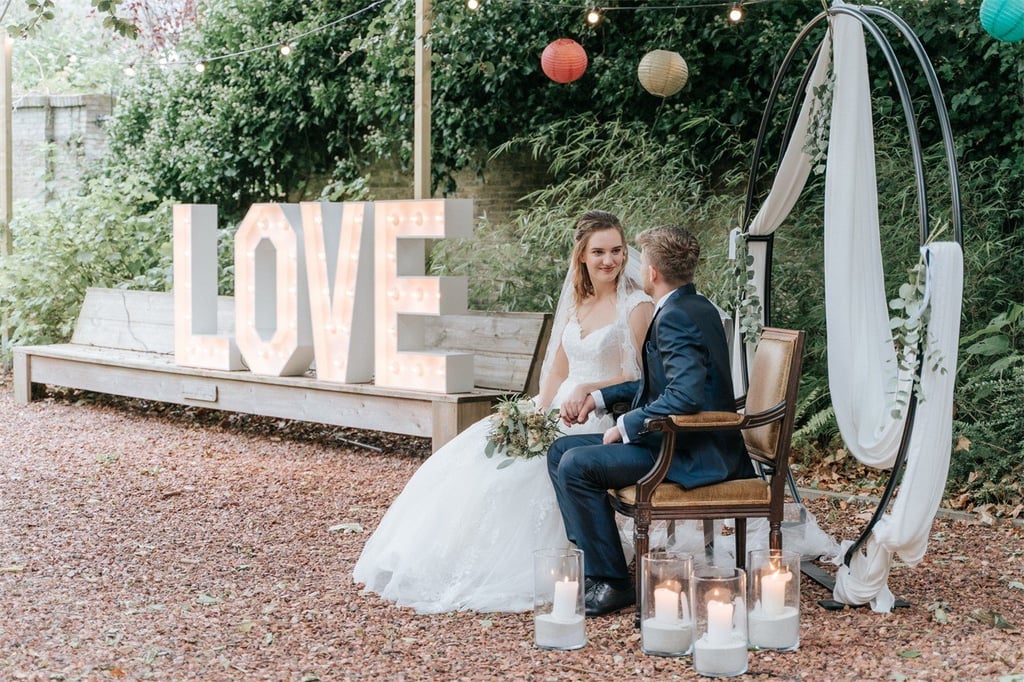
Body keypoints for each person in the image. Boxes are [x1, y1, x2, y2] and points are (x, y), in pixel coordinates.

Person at [352, 210, 654, 613]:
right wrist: (536, 412)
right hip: (557, 408)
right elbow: (558, 369)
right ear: (581, 255)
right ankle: (444, 561)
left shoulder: (635, 306)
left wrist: (589, 390)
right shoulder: (577, 301)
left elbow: (639, 377)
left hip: (597, 414)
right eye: (598, 252)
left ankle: (574, 564)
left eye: (616, 251)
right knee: (476, 461)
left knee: (517, 479)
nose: (609, 260)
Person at [547, 223, 756, 617]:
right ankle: (597, 563)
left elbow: (684, 396)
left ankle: (612, 582)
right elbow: (661, 385)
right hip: (681, 441)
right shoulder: (692, 307)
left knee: (576, 465)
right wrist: (599, 398)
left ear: (653, 272)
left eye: (642, 262)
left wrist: (626, 425)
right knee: (560, 451)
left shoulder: (676, 316)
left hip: (687, 451)